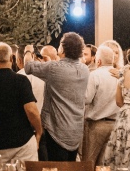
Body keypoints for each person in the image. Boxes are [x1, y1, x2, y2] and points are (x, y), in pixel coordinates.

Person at [25, 32, 90, 162]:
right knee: (69, 170)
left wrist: (28, 51)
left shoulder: (53, 68)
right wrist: (51, 63)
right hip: (75, 131)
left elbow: (28, 67)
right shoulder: (84, 69)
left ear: (62, 48)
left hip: (56, 129)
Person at [82, 45, 120, 166]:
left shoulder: (95, 75)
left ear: (98, 61)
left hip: (96, 126)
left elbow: (86, 99)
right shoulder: (119, 76)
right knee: (104, 165)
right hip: (114, 124)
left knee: (89, 163)